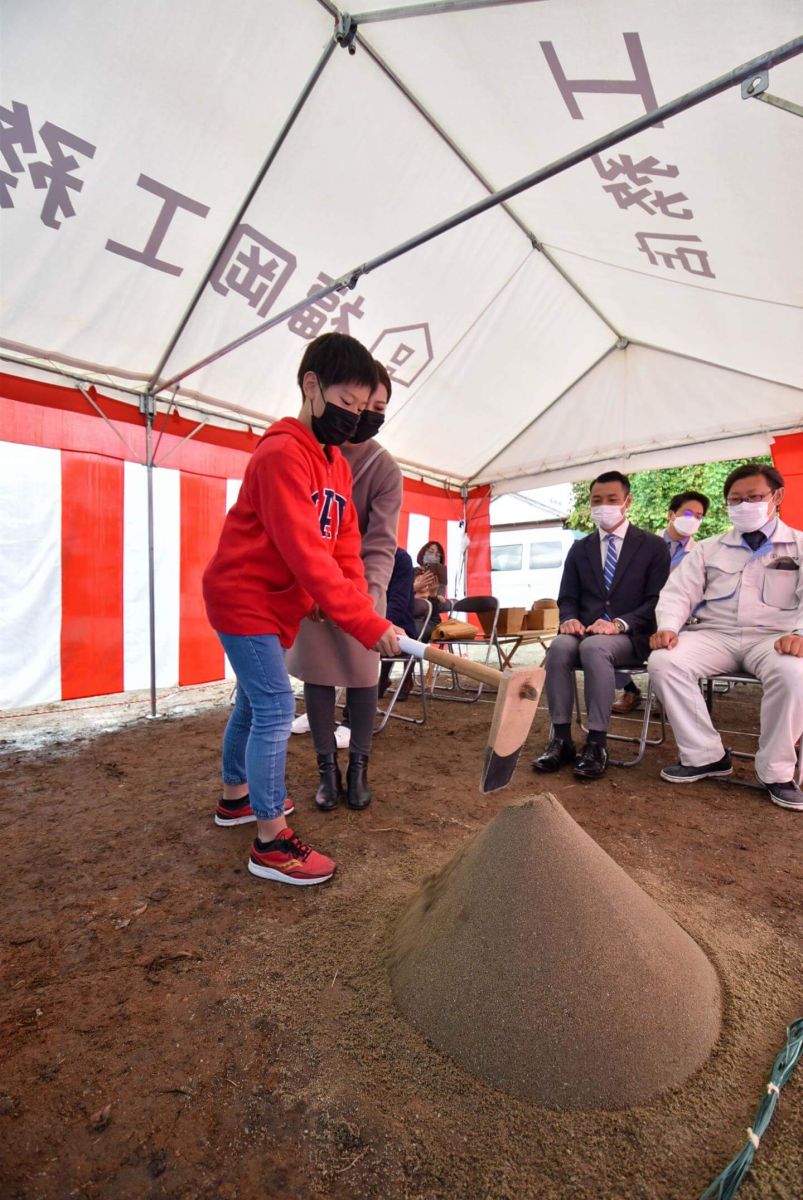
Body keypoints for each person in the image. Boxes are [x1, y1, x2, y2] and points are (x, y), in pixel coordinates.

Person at [203, 333, 401, 885]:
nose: (354, 418)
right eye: (346, 404)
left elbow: (342, 550)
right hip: (243, 597)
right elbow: (306, 553)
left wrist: (359, 604)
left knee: (252, 699)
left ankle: (235, 796)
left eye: (363, 409)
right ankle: (270, 842)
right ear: (311, 386)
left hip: (276, 604)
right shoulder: (281, 454)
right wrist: (367, 625)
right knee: (271, 705)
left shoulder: (334, 463)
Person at [648, 462, 803, 811]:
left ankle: (777, 772)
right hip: (716, 635)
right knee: (663, 661)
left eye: (754, 497)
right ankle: (706, 755)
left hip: (775, 638)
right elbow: (678, 593)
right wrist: (669, 627)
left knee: (795, 673)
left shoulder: (798, 545)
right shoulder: (708, 548)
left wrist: (801, 634)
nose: (744, 505)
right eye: (735, 500)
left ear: (777, 496)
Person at [286, 362, 402, 812]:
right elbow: (295, 528)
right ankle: (325, 770)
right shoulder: (311, 450)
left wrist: (366, 598)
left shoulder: (383, 469)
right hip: (310, 590)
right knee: (317, 675)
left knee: (361, 676)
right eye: (359, 404)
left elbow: (380, 542)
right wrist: (313, 588)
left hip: (359, 591)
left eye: (378, 408)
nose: (365, 414)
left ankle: (358, 767)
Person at [532, 471, 670, 780]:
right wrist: (568, 619)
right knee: (558, 647)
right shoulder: (580, 549)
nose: (603, 506)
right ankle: (561, 739)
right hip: (584, 632)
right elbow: (566, 596)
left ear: (627, 502)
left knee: (595, 648)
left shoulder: (652, 546)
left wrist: (620, 623)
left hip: (630, 636)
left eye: (611, 499)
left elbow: (656, 600)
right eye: (596, 500)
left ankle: (596, 742)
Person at [612, 490, 709, 714]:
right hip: (641, 612)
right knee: (607, 639)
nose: (693, 519)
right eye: (687, 513)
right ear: (671, 515)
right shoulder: (642, 544)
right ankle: (630, 690)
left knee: (675, 644)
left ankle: (667, 694)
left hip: (678, 619)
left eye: (699, 516)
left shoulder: (700, 553)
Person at [377, 547, 419, 700]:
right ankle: (382, 679)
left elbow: (399, 600)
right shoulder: (359, 551)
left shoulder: (401, 558)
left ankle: (393, 677)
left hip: (399, 622)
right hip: (374, 618)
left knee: (400, 634)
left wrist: (380, 625)